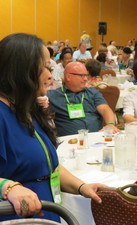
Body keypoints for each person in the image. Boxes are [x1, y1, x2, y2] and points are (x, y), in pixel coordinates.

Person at [0, 33, 106, 222]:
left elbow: (48, 167)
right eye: (45, 68)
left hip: (45, 214)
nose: (50, 75)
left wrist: (82, 187)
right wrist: (9, 188)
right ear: (22, 71)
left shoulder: (25, 109)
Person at [47, 61, 119, 136]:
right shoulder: (53, 96)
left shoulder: (92, 93)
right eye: (82, 76)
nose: (85, 79)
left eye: (86, 75)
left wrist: (110, 124)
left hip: (96, 138)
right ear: (68, 77)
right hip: (70, 141)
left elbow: (105, 109)